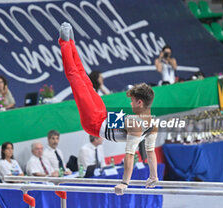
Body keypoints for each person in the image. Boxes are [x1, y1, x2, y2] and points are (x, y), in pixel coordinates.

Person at [58, 22, 158, 195]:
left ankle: (64, 42)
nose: (130, 104)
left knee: (75, 78)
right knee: (85, 80)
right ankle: (72, 45)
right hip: (103, 115)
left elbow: (130, 156)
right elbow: (150, 153)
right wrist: (153, 175)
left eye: (132, 101)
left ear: (140, 103)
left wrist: (125, 183)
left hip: (94, 124)